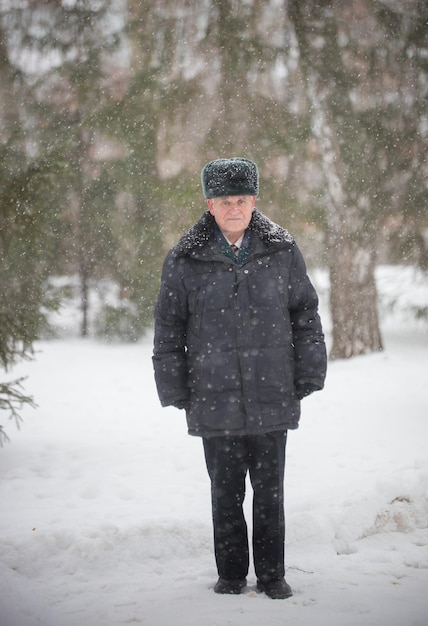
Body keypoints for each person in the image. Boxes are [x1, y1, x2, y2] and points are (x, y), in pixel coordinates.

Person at [152, 157, 327, 599]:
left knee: (270, 494)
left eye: (242, 199)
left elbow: (305, 315)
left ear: (254, 201)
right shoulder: (185, 257)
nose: (234, 208)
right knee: (225, 494)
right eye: (225, 200)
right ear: (210, 204)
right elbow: (168, 328)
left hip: (272, 393)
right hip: (214, 398)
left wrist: (308, 373)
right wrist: (175, 389)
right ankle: (231, 574)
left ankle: (272, 575)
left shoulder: (282, 251)